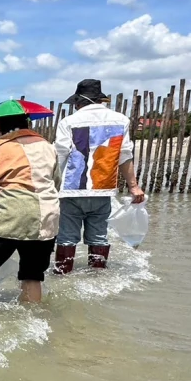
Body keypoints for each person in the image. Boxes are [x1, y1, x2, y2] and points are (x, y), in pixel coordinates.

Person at [0, 112, 61, 323]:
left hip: (8, 217)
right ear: (27, 122)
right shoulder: (47, 146)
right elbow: (56, 181)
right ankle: (32, 320)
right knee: (32, 274)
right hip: (46, 218)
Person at [52, 79, 146, 273]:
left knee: (67, 238)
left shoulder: (68, 121)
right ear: (100, 100)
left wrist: (51, 186)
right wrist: (134, 186)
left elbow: (60, 154)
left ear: (79, 102)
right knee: (99, 238)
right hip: (103, 189)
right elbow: (125, 155)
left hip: (71, 191)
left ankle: (62, 275)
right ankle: (97, 276)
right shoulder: (120, 120)